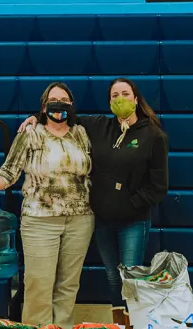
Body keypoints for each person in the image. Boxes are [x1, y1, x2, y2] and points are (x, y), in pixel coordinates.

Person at [19, 78, 169, 308]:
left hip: (133, 220)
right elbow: (61, 114)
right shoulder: (100, 126)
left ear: (136, 99)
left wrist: (131, 204)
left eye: (125, 94)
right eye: (115, 96)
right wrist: (35, 117)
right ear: (109, 102)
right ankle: (118, 327)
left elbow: (158, 185)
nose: (121, 99)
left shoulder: (153, 135)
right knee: (111, 276)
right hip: (102, 220)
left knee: (129, 276)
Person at [0, 82, 94, 329]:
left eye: (64, 100)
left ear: (71, 105)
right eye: (53, 100)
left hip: (80, 219)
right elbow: (9, 172)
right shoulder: (30, 133)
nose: (59, 105)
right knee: (39, 283)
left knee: (69, 285)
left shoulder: (81, 132)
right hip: (39, 219)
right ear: (43, 106)